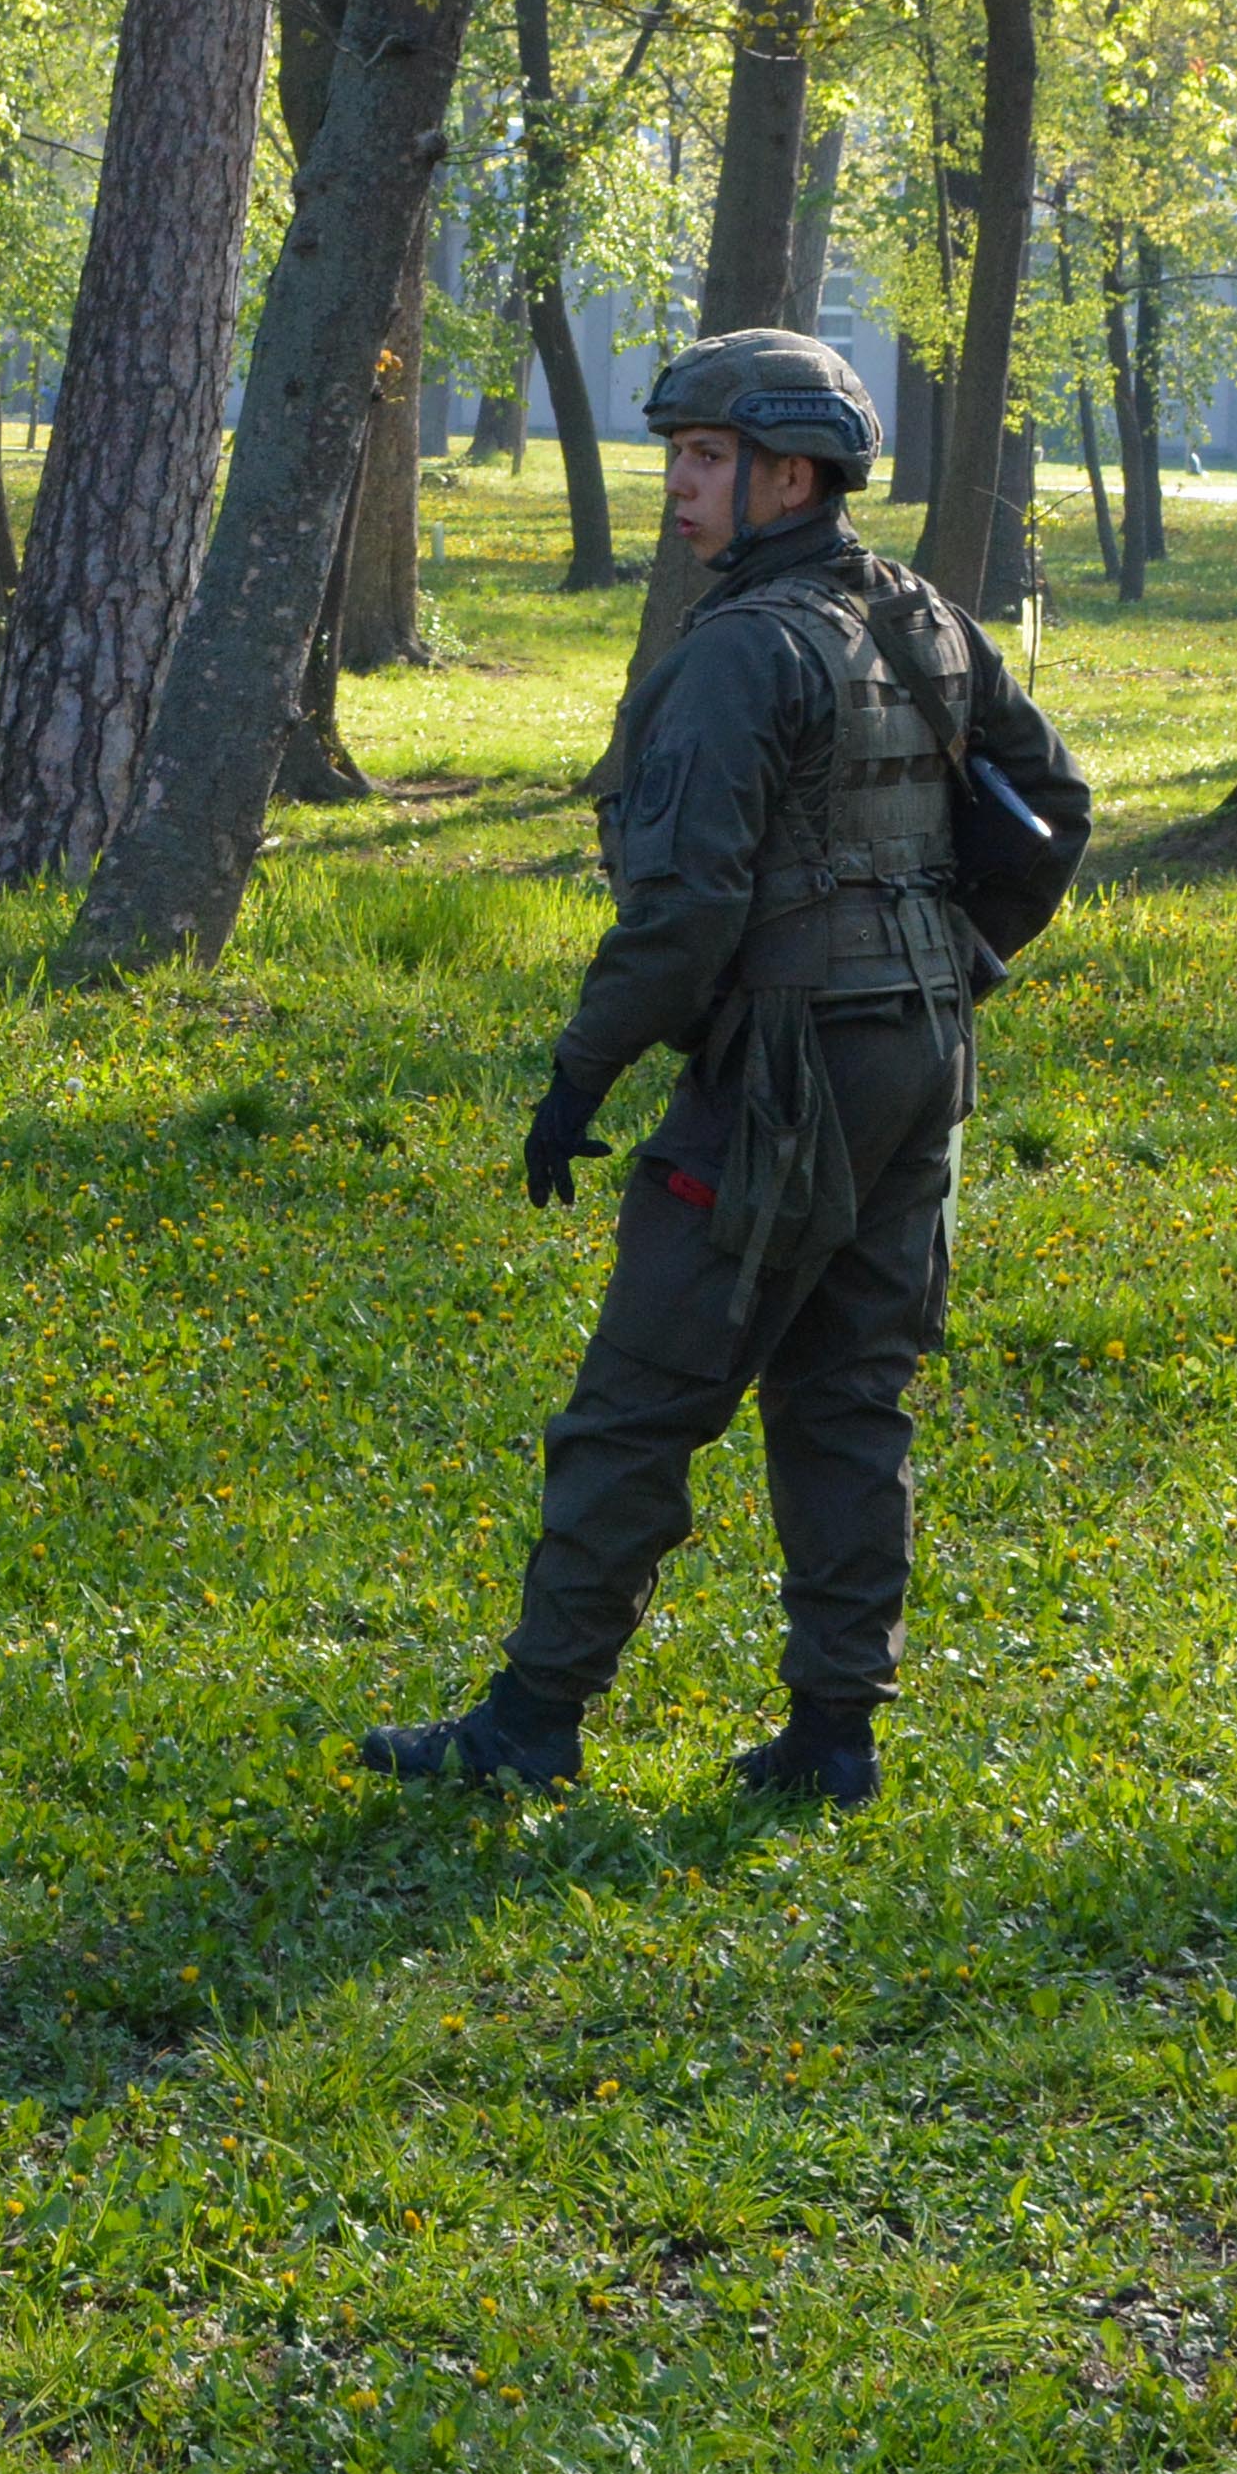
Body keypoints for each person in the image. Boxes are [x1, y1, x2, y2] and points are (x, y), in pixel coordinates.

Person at [355, 329, 1089, 1812]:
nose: (679, 486)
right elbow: (1055, 811)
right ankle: (834, 1735)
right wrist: (947, 960)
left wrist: (580, 1075)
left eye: (706, 458)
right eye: (678, 455)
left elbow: (684, 911)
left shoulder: (744, 651)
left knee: (640, 1398)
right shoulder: (923, 617)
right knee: (848, 1395)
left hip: (791, 1077)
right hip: (923, 1058)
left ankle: (532, 1723)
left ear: (791, 475)